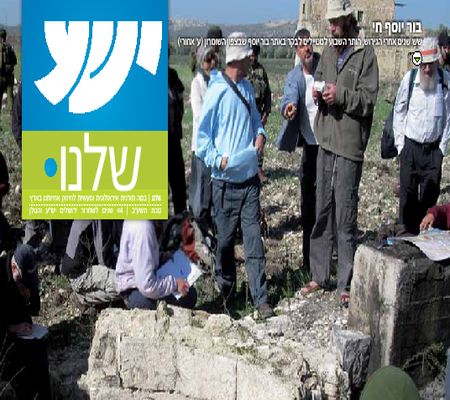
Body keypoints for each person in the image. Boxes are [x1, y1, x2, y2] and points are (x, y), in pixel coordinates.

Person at [301, 0, 379, 308]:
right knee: (322, 210)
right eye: (330, 23)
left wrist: (341, 95)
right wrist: (318, 93)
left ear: (348, 20)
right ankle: (319, 275)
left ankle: (345, 283)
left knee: (345, 217)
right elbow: (321, 80)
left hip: (349, 147)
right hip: (326, 143)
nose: (331, 28)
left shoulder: (366, 54)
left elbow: (368, 101)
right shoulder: (330, 51)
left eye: (336, 23)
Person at [196, 32, 273, 319]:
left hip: (249, 181)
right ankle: (228, 298)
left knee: (253, 242)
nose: (252, 59)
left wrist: (260, 135)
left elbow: (255, 122)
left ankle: (260, 299)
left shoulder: (248, 88)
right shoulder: (216, 91)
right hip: (225, 184)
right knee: (225, 244)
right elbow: (202, 140)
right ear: (237, 59)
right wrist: (220, 160)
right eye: (248, 56)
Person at [393, 37, 450, 234]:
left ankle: (424, 240)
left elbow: (449, 116)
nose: (427, 69)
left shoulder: (445, 81)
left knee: (429, 199)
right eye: (423, 65)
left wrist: (442, 149)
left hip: (433, 151)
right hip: (410, 148)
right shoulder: (410, 80)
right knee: (407, 198)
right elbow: (399, 112)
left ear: (436, 62)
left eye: (430, 65)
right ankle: (405, 236)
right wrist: (401, 146)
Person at [278, 28, 320, 272]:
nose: (307, 48)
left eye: (309, 44)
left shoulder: (323, 68)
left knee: (328, 203)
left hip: (328, 147)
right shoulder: (294, 76)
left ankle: (325, 256)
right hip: (310, 149)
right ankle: (308, 261)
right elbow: (288, 98)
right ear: (297, 49)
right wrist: (288, 108)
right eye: (303, 45)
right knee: (308, 206)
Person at [0, 244, 52, 399]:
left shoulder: (27, 275)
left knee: (40, 355)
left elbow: (35, 309)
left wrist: (28, 298)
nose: (26, 285)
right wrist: (12, 328)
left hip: (25, 332)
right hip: (4, 335)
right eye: (22, 282)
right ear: (14, 269)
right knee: (21, 371)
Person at [115, 220, 196, 310]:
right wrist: (175, 284)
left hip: (132, 282)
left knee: (188, 292)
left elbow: (138, 256)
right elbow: (146, 285)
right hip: (134, 290)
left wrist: (161, 257)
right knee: (189, 296)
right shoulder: (144, 229)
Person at [61, 220, 123, 313]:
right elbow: (102, 258)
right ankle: (82, 298)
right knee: (123, 285)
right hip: (79, 274)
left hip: (82, 267)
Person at [189, 46, 217, 238]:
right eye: (208, 60)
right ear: (201, 63)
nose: (211, 63)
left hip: (214, 145)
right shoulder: (196, 84)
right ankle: (200, 228)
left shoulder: (216, 82)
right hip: (201, 146)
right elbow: (199, 114)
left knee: (211, 188)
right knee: (201, 189)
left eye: (213, 59)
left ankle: (211, 228)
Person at [248, 45, 272, 182]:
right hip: (246, 112)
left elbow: (268, 93)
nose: (253, 58)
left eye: (255, 55)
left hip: (259, 111)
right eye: (251, 55)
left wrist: (266, 112)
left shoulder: (262, 71)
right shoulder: (243, 70)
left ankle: (259, 169)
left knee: (260, 141)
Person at [169, 65, 187, 215]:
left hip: (173, 138)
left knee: (179, 184)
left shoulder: (172, 76)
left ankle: (181, 221)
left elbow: (180, 105)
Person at [0, 28, 17, 123]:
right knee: (10, 99)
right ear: (5, 36)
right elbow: (15, 61)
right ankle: (13, 120)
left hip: (1, 77)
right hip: (9, 77)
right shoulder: (9, 47)